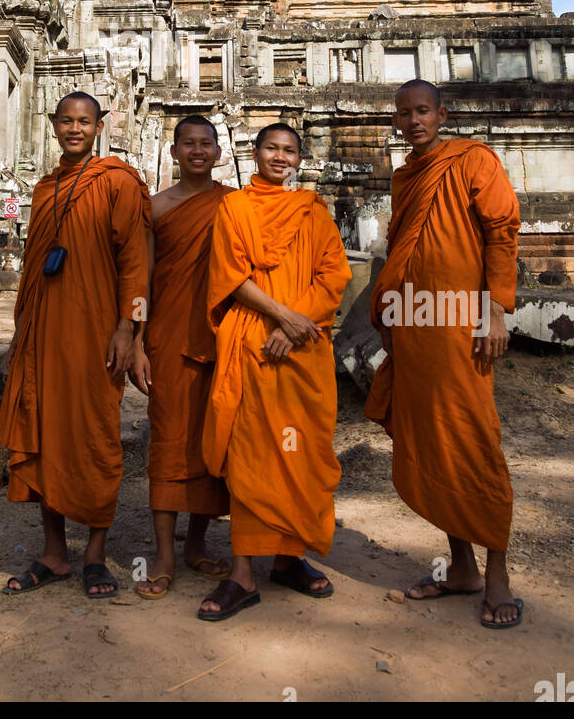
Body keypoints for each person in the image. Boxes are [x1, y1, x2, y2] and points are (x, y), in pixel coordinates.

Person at [364, 79, 523, 629]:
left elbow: (502, 231)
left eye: (423, 111)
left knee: (474, 436)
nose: (413, 121)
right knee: (432, 439)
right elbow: (401, 245)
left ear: (442, 113)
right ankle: (461, 567)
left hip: (464, 325)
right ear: (395, 121)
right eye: (404, 113)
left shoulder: (473, 160)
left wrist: (497, 309)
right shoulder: (406, 174)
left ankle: (496, 570)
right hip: (415, 322)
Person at [0, 92, 150, 598]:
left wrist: (129, 329)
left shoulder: (118, 182)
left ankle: (95, 556)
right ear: (54, 125)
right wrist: (22, 330)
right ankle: (54, 552)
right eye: (66, 120)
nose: (75, 129)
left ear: (100, 127)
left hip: (96, 336)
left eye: (85, 121)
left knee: (96, 437)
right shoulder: (44, 189)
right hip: (43, 334)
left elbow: (135, 264)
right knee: (42, 432)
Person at [198, 123, 351, 621]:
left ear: (299, 160)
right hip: (252, 341)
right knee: (250, 455)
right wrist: (282, 316)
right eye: (271, 148)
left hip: (302, 347)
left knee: (301, 450)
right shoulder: (235, 207)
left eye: (288, 151)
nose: (279, 157)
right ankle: (242, 573)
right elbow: (229, 274)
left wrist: (295, 324)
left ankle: (289, 557)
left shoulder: (312, 211)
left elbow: (335, 275)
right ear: (256, 153)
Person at [131, 115, 231, 598]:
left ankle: (195, 542)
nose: (197, 151)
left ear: (218, 152)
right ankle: (164, 553)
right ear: (173, 153)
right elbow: (141, 282)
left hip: (223, 336)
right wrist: (135, 343)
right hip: (167, 338)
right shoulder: (154, 208)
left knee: (214, 440)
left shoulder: (235, 204)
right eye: (187, 144)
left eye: (205, 144)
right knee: (170, 439)